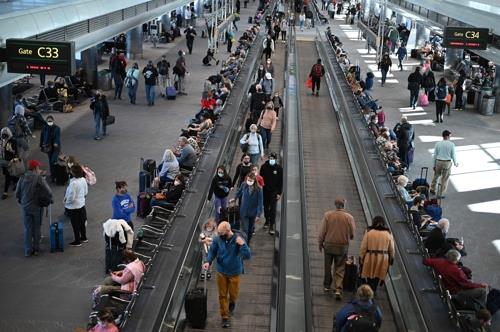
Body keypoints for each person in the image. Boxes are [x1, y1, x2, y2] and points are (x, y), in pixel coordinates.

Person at [202, 221, 251, 328]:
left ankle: (232, 302)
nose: (219, 235)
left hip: (234, 272)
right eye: (218, 233)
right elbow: (212, 251)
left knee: (233, 295)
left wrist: (242, 245)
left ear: (228, 231)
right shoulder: (218, 239)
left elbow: (247, 256)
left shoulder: (238, 239)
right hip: (221, 272)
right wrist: (208, 261)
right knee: (222, 295)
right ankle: (224, 317)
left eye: (221, 233)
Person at [318, 196, 356, 300]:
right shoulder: (349, 217)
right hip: (342, 246)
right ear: (344, 205)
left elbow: (322, 231)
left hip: (329, 245)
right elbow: (352, 232)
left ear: (335, 205)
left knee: (327, 266)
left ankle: (327, 285)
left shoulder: (328, 215)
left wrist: (320, 243)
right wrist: (350, 237)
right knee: (340, 267)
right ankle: (338, 289)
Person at [424, 250, 488, 307]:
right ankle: (482, 311)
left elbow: (425, 261)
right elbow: (466, 284)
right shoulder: (456, 271)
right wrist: (480, 285)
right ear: (456, 260)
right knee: (483, 291)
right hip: (455, 292)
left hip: (444, 286)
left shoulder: (439, 261)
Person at [15, 160, 52, 256]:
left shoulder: (22, 177)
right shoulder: (38, 178)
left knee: (28, 228)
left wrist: (21, 201)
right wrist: (49, 199)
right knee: (36, 227)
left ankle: (28, 250)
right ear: (35, 168)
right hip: (36, 206)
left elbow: (17, 192)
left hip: (25, 206)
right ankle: (36, 249)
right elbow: (48, 191)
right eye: (38, 167)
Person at [359, 216, 395, 293]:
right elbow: (391, 248)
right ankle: (373, 290)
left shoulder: (369, 232)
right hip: (383, 258)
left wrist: (361, 257)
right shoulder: (388, 233)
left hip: (370, 256)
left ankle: (368, 289)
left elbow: (363, 247)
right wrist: (391, 258)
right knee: (377, 276)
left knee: (369, 275)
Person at [233, 173, 263, 244]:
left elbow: (260, 202)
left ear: (254, 180)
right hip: (244, 212)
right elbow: (239, 192)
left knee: (250, 230)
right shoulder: (244, 185)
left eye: (250, 180)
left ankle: (248, 242)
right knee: (245, 229)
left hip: (253, 213)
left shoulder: (259, 189)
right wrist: (234, 198)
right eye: (248, 180)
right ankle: (245, 245)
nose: (249, 181)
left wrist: (258, 215)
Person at [64, 165, 88, 247]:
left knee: (75, 224)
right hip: (81, 204)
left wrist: (66, 201)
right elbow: (85, 192)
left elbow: (71, 196)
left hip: (73, 207)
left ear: (74, 173)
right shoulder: (83, 180)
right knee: (81, 222)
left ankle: (77, 241)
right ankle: (84, 237)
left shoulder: (73, 183)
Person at [430, 130, 458, 198]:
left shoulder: (438, 144)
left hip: (438, 162)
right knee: (444, 179)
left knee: (436, 176)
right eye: (450, 136)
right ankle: (441, 193)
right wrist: (455, 163)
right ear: (447, 136)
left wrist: (433, 165)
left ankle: (433, 189)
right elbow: (453, 155)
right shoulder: (451, 144)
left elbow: (435, 155)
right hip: (447, 163)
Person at [259, 152, 283, 235]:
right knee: (265, 207)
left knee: (273, 208)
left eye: (273, 159)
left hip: (274, 191)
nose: (271, 160)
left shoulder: (279, 168)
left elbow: (280, 181)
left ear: (275, 159)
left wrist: (279, 193)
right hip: (265, 191)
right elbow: (260, 179)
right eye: (270, 158)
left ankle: (272, 225)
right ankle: (267, 220)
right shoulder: (263, 167)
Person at [39, 116, 61, 183]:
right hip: (48, 147)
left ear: (53, 121)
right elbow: (42, 137)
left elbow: (57, 137)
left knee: (53, 161)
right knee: (50, 161)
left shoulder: (57, 128)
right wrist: (41, 145)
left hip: (56, 147)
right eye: (48, 121)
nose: (49, 122)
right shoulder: (44, 128)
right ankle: (53, 176)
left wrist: (56, 142)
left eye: (51, 121)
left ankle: (56, 175)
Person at [1, 127, 19, 200]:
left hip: (11, 161)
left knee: (8, 177)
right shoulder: (1, 141)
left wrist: (15, 158)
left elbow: (16, 151)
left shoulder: (12, 141)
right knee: (10, 174)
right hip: (3, 161)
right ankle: (16, 183)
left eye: (5, 135)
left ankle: (5, 192)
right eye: (2, 135)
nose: (4, 137)